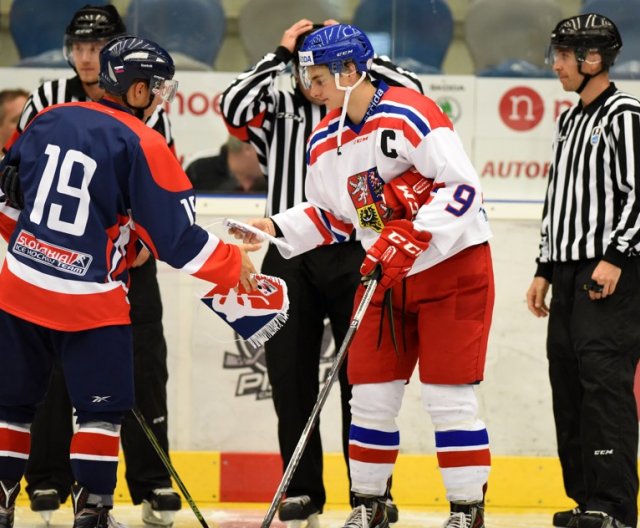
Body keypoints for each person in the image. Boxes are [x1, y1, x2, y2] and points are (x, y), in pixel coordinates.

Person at [228, 23, 494, 528]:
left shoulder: (411, 112)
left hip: (452, 268)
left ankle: (466, 508)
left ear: (351, 69)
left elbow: (462, 187)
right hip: (385, 275)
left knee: (447, 396)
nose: (309, 83)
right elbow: (333, 217)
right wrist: (272, 226)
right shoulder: (324, 139)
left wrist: (417, 234)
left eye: (319, 72)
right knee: (369, 393)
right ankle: (367, 504)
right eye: (305, 73)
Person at [0, 35, 258, 528]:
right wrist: (231, 263)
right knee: (100, 411)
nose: (161, 96)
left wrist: (39, 249)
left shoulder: (48, 118)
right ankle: (95, 510)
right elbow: (176, 239)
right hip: (90, 303)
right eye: (157, 87)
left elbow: (6, 197)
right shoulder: (145, 142)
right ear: (136, 90)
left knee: (11, 405)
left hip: (19, 289)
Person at [5, 5, 182, 526]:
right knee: (53, 376)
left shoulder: (152, 107)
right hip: (66, 261)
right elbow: (15, 177)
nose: (86, 56)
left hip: (120, 260)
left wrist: (130, 252)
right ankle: (49, 480)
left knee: (141, 366)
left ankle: (150, 481)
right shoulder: (45, 99)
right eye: (79, 46)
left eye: (97, 45)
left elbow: (156, 189)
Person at [526, 13, 640, 528]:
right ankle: (585, 501)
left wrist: (614, 257)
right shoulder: (570, 119)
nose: (556, 65)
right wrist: (544, 268)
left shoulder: (626, 113)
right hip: (570, 273)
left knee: (603, 385)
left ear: (593, 59)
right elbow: (561, 199)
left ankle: (613, 507)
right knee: (567, 382)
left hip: (613, 272)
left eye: (563, 55)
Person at [184, 135, 267, 193]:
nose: (270, 156)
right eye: (265, 149)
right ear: (248, 147)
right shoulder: (197, 169)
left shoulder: (273, 176)